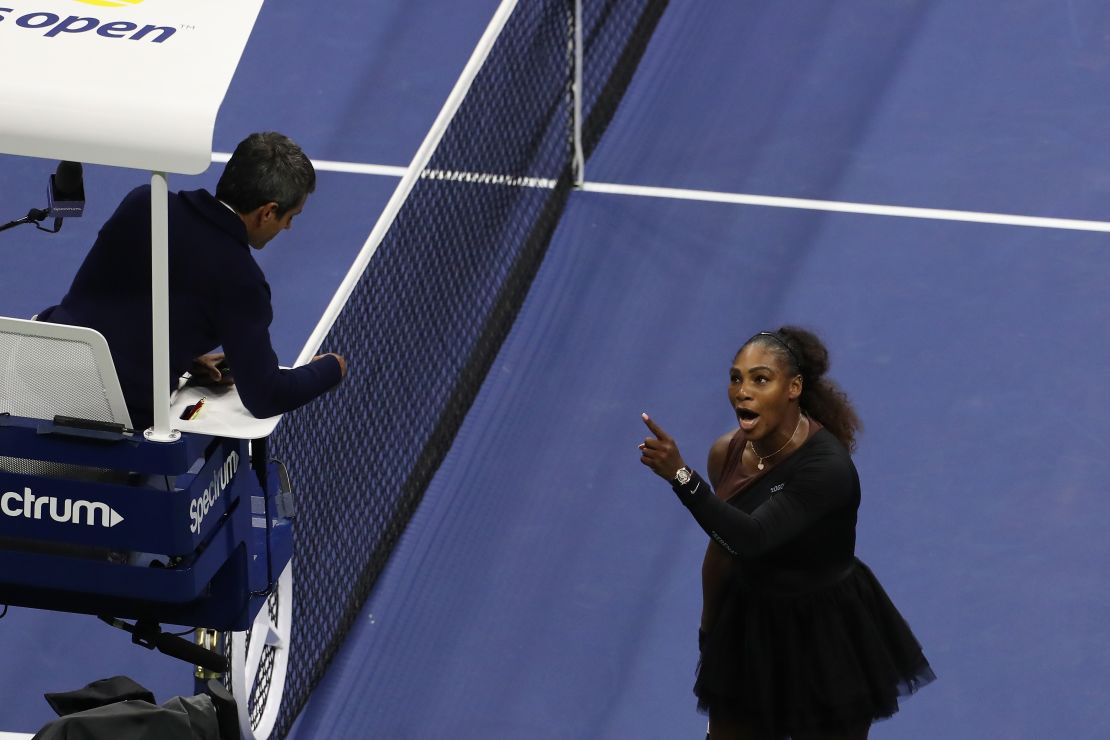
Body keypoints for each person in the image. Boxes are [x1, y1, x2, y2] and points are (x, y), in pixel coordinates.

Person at [638, 326, 933, 739]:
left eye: (760, 379)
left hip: (828, 635)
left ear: (793, 387)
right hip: (751, 624)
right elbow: (723, 548)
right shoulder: (728, 452)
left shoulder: (826, 469)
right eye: (736, 378)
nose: (743, 391)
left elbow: (751, 538)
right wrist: (710, 626)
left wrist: (681, 477)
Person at [36, 131, 346, 428]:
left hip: (32, 376)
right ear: (267, 212)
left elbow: (125, 305)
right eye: (291, 217)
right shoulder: (241, 279)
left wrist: (180, 355)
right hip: (106, 417)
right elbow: (266, 396)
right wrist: (331, 368)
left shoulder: (143, 203)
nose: (288, 228)